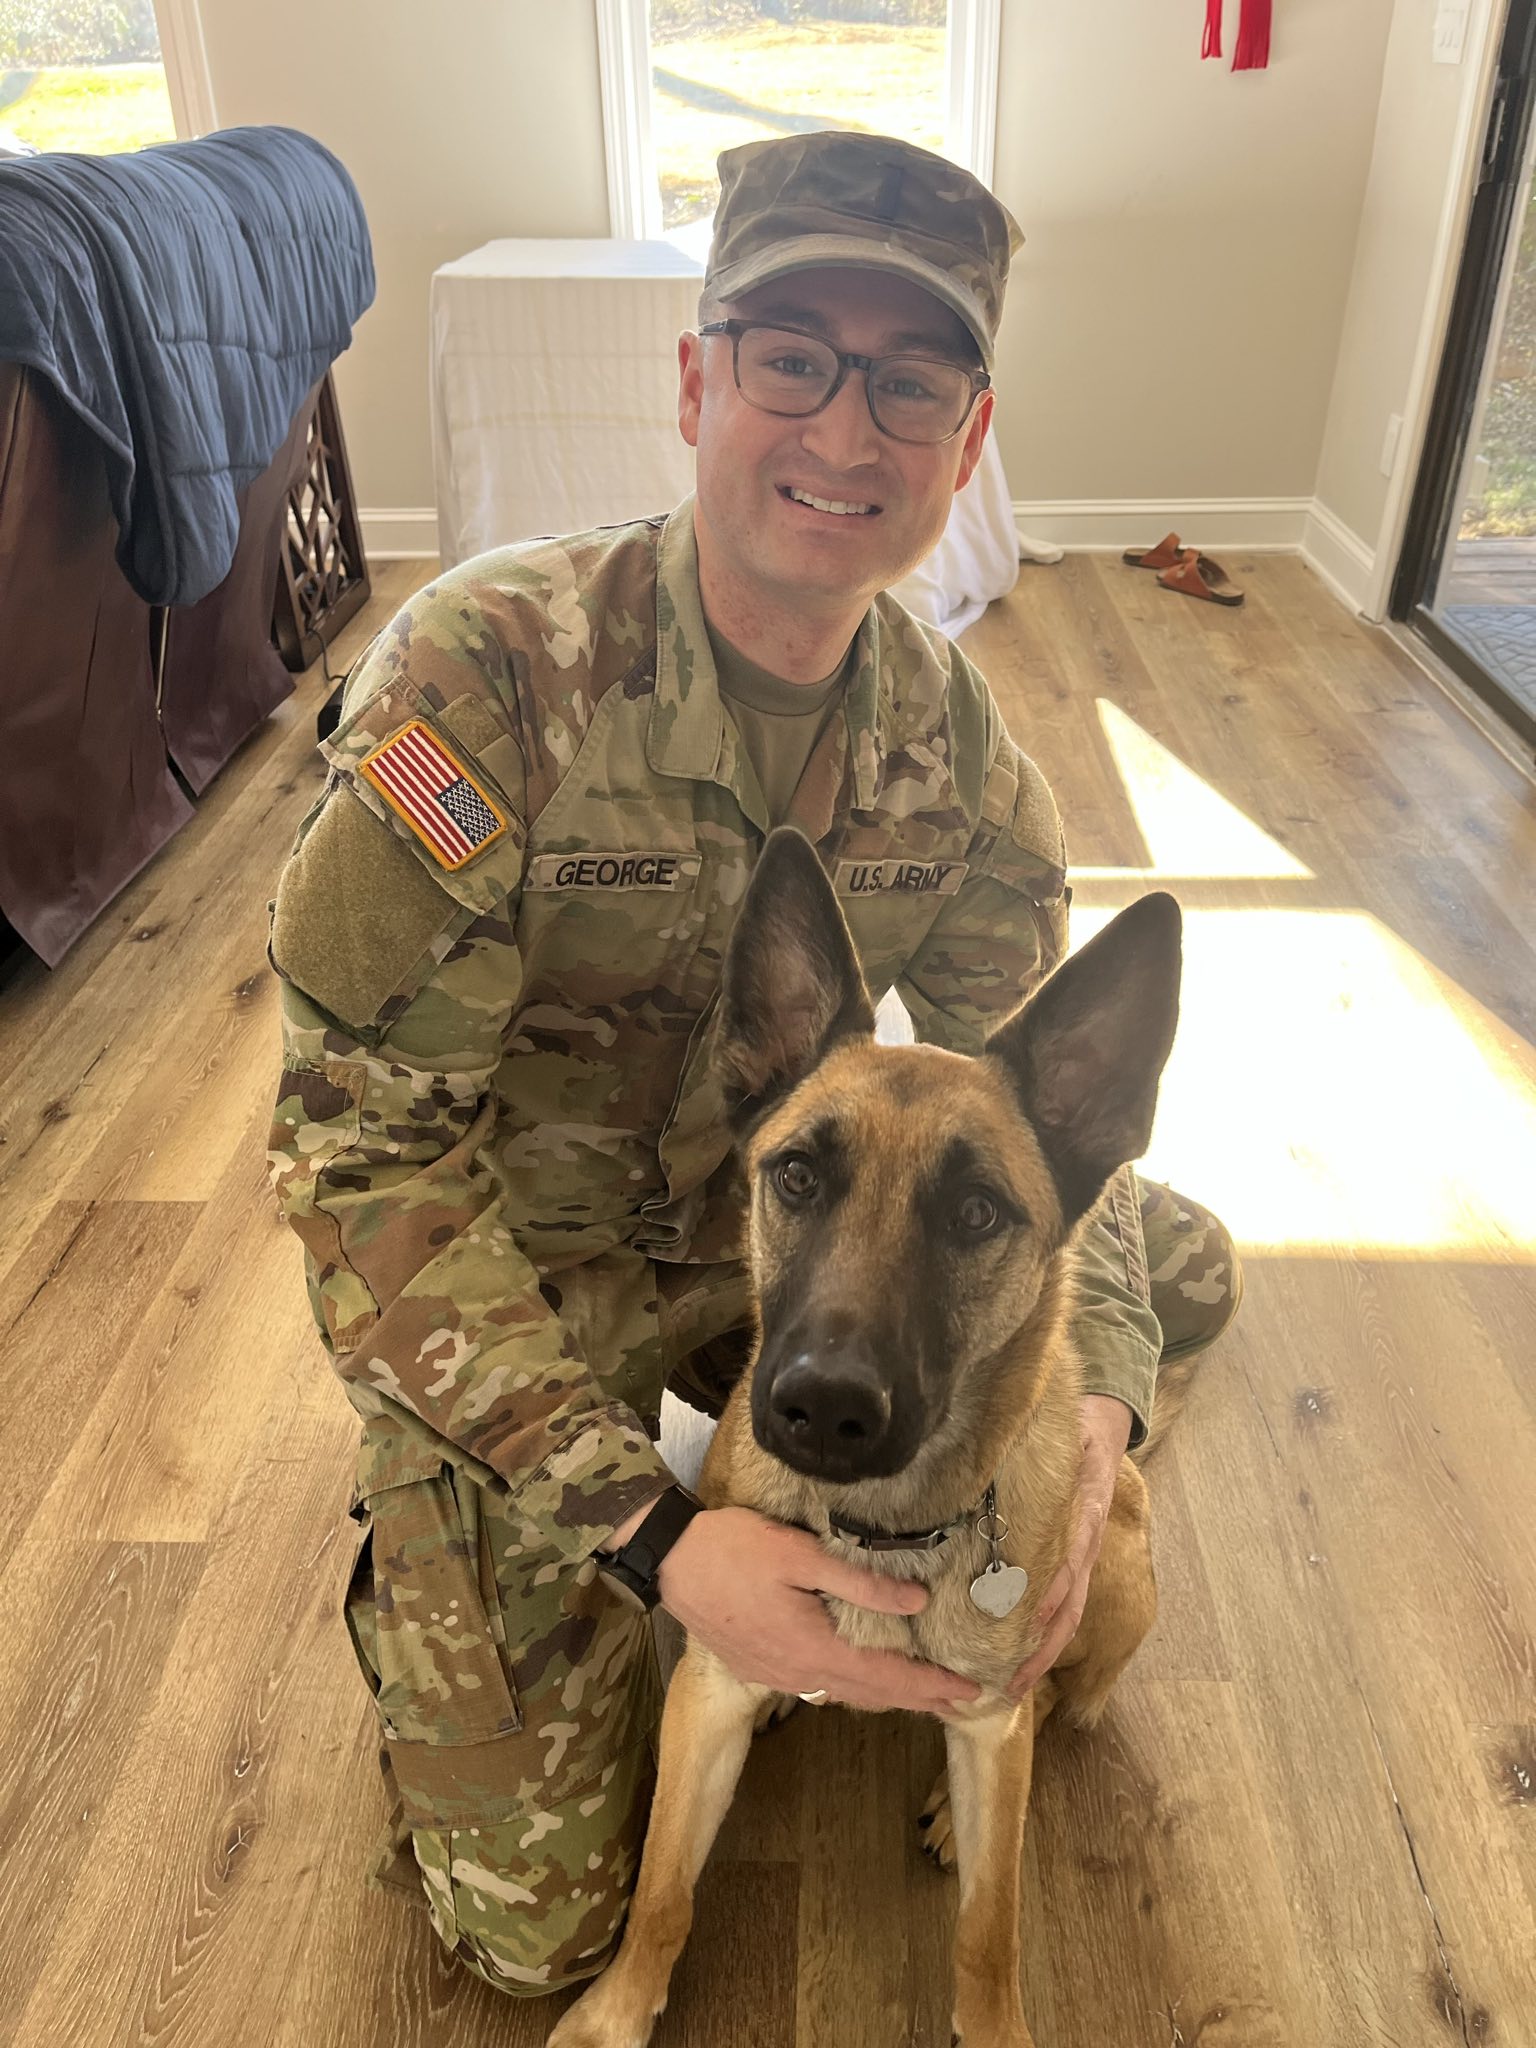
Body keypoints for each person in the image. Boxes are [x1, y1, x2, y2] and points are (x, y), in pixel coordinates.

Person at [266, 129, 1241, 1997]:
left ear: (966, 446)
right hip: (528, 1294)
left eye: (913, 384)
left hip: (800, 1277)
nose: (846, 433)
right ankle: (457, 1537)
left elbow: (1043, 1131)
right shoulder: (478, 685)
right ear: (698, 377)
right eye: (792, 356)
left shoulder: (962, 761)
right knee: (538, 1933)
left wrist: (1093, 1430)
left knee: (1152, 1273)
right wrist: (653, 1536)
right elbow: (360, 1174)